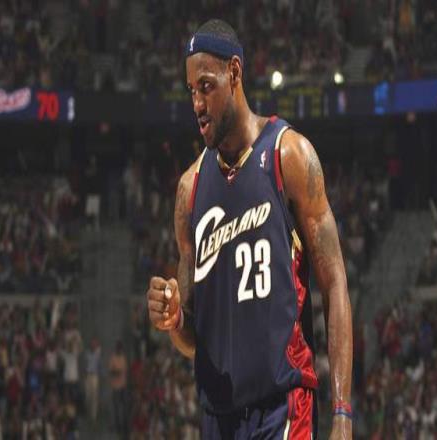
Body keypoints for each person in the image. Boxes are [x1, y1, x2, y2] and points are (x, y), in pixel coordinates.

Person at [146, 19, 353, 439]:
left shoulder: (288, 155)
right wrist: (174, 318)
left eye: (206, 86)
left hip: (284, 404)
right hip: (218, 417)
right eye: (191, 91)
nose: (197, 104)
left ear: (235, 72)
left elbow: (335, 285)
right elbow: (191, 340)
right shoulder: (189, 191)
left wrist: (342, 414)